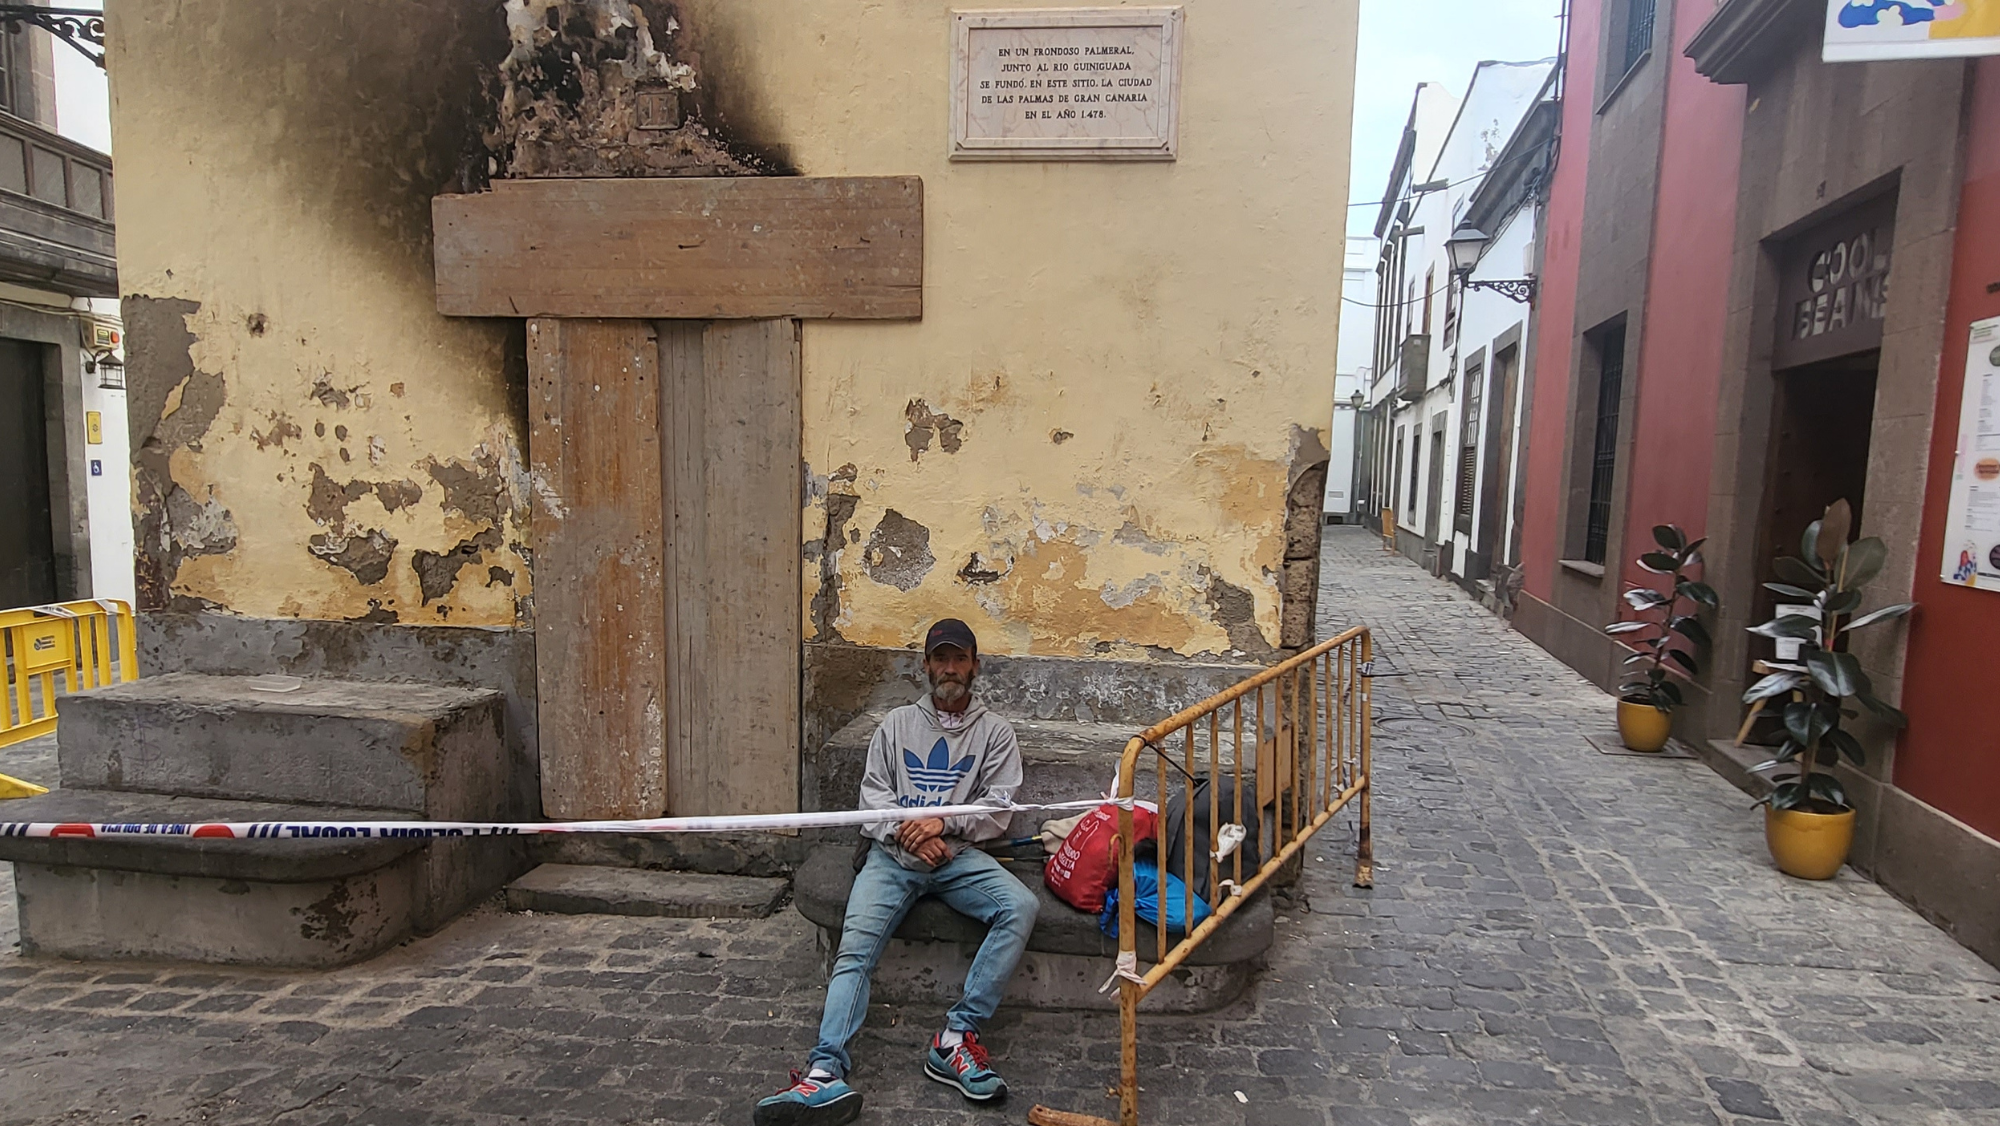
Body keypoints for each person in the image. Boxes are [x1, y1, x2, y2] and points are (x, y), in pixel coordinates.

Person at [754, 618, 1038, 1126]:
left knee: (1020, 906)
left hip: (956, 856)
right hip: (892, 856)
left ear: (975, 666)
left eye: (960, 659)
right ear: (926, 666)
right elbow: (873, 800)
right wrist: (912, 834)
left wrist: (942, 825)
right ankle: (824, 1072)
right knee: (855, 950)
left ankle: (954, 1039)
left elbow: (998, 807)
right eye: (940, 659)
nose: (950, 669)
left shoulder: (995, 732)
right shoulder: (896, 726)